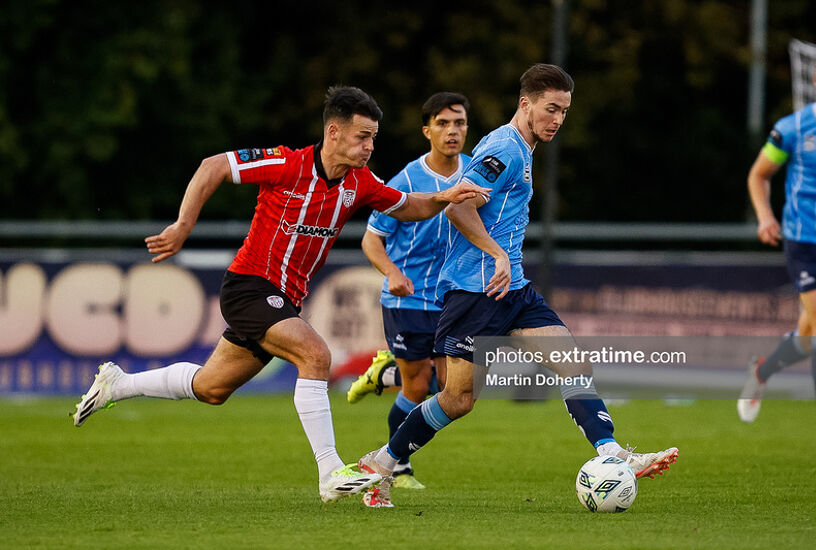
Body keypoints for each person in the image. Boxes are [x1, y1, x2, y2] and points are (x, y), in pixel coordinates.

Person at [70, 86, 491, 503]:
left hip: (284, 299)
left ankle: (119, 385)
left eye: (373, 138)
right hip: (249, 286)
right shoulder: (287, 164)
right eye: (362, 137)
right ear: (334, 133)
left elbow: (407, 207)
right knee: (316, 355)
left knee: (211, 388)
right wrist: (182, 225)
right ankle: (330, 472)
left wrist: (443, 197)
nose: (369, 147)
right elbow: (212, 165)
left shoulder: (360, 183)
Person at [357, 64, 679, 508]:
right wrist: (497, 253)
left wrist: (505, 262)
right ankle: (381, 464)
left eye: (564, 111)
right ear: (525, 103)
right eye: (551, 109)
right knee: (457, 399)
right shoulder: (503, 148)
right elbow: (457, 209)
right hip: (475, 293)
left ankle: (613, 453)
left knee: (573, 364)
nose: (557, 120)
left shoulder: (524, 148)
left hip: (513, 291)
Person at [347, 92, 471, 495]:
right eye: (443, 123)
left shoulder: (476, 174)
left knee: (456, 391)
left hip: (454, 298)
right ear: (427, 130)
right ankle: (396, 465)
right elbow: (371, 240)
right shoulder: (406, 180)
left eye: (460, 123)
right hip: (409, 299)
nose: (452, 131)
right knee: (418, 387)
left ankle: (386, 373)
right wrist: (392, 272)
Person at [737, 51, 816, 452]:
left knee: (811, 331)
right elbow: (759, 175)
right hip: (804, 238)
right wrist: (765, 217)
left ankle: (764, 369)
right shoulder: (794, 128)